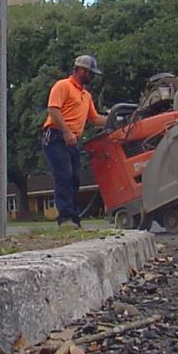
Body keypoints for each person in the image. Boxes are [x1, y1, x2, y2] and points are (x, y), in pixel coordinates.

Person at [42, 55, 108, 227]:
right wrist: (66, 131)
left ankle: (73, 218)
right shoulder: (63, 85)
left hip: (72, 140)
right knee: (64, 176)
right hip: (56, 136)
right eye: (90, 73)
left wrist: (116, 119)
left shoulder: (86, 95)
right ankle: (65, 218)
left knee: (74, 178)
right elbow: (53, 110)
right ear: (81, 70)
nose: (92, 77)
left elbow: (95, 119)